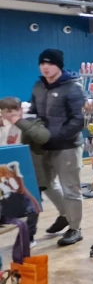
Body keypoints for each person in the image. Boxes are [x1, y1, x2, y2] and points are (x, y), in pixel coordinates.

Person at [30, 49, 86, 246]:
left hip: (67, 146)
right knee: (45, 184)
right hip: (43, 145)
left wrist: (55, 136)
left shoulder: (73, 88)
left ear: (59, 66)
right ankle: (65, 214)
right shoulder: (38, 86)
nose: (45, 67)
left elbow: (79, 120)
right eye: (42, 63)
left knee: (70, 188)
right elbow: (33, 112)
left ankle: (75, 228)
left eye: (50, 63)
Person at [0, 97, 51, 245]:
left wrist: (19, 121)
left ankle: (29, 236)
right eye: (8, 111)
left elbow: (43, 137)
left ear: (21, 110)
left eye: (16, 110)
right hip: (4, 172)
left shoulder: (31, 123)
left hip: (29, 171)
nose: (12, 114)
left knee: (31, 206)